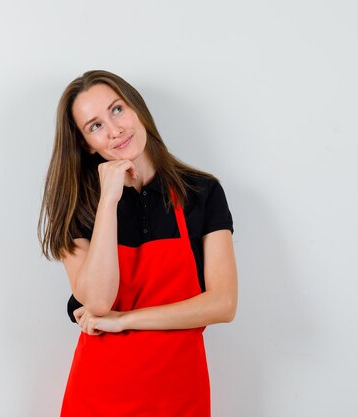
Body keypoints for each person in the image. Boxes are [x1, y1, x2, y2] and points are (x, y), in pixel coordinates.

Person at [37, 70, 238, 417]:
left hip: (179, 393)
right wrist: (108, 201)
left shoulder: (201, 193)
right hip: (99, 393)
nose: (114, 130)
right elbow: (98, 301)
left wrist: (124, 320)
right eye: (95, 126)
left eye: (117, 110)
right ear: (87, 144)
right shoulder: (76, 206)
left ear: (137, 109)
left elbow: (223, 304)